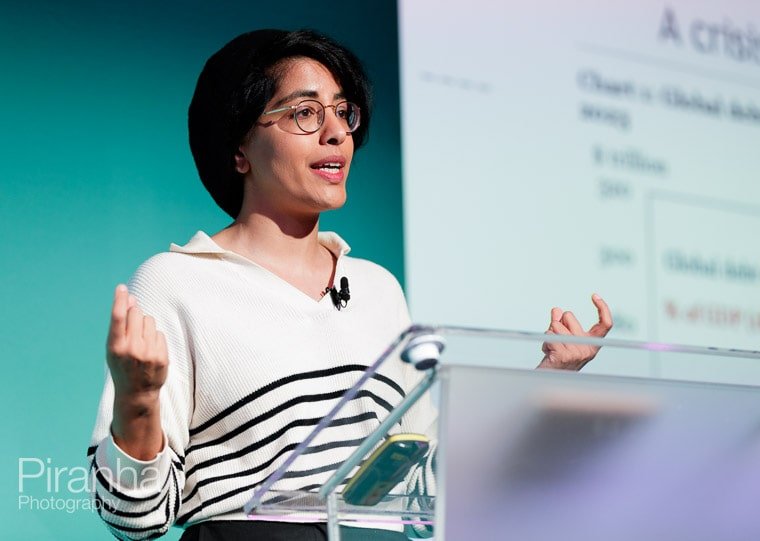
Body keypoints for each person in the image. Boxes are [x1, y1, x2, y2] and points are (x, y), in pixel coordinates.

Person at [88, 29, 613, 541]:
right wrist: (137, 400)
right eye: (305, 112)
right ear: (240, 145)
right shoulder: (177, 282)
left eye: (343, 112)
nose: (337, 132)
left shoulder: (378, 289)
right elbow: (134, 517)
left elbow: (423, 498)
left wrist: (544, 381)